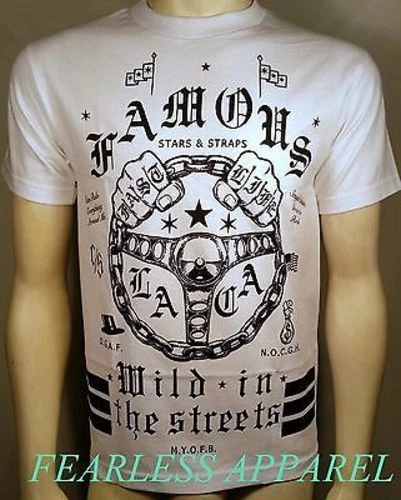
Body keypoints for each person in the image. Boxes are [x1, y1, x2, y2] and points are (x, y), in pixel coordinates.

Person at [2, 0, 401, 499]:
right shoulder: (52, 71)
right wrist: (37, 479)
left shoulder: (341, 75)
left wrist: (351, 481)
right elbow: (36, 287)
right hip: (126, 464)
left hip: (277, 464)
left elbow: (356, 283)